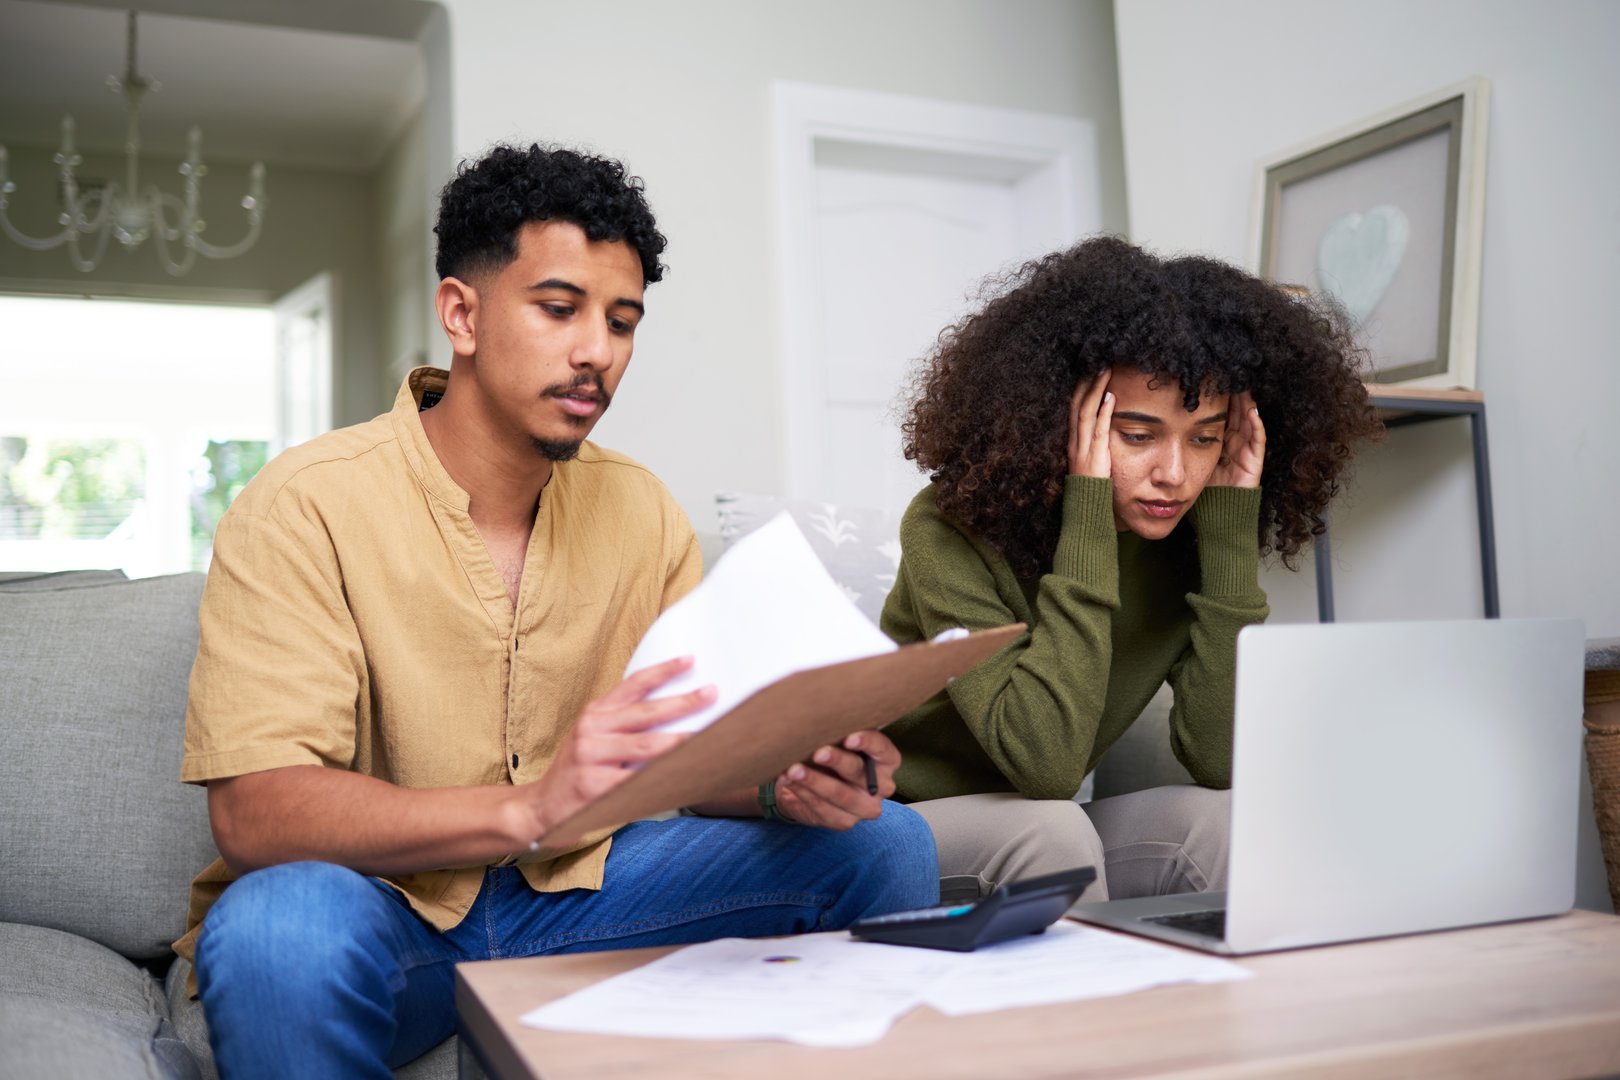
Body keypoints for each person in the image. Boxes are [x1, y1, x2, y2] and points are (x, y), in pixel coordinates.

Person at [175, 143, 937, 1078]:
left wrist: (786, 781)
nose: (597, 352)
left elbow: (688, 762)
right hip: (387, 916)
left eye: (622, 322)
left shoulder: (642, 509)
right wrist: (529, 808)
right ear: (462, 313)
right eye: (559, 308)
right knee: (276, 927)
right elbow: (257, 815)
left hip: (586, 897)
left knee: (883, 844)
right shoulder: (306, 502)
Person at [881, 235, 1379, 905]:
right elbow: (1047, 764)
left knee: (1226, 823)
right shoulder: (948, 529)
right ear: (1063, 422)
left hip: (1051, 826)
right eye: (1138, 436)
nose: (1174, 474)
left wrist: (1229, 543)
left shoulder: (1189, 537)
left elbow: (1219, 759)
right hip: (906, 828)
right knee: (1053, 831)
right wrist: (1087, 520)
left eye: (1205, 438)